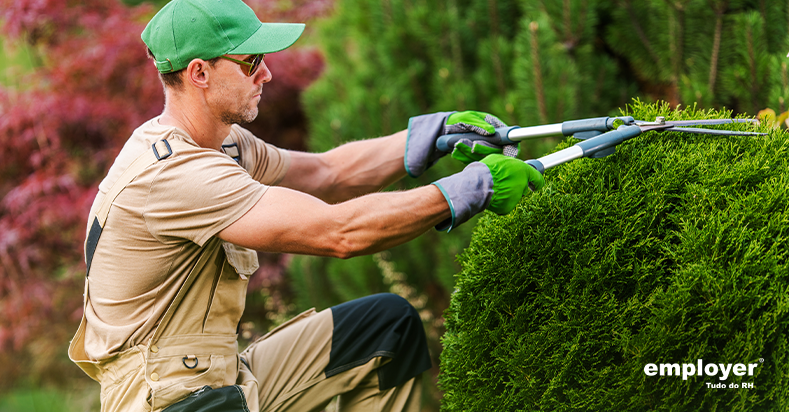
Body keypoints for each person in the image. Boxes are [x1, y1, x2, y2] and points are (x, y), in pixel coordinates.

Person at [67, 0, 545, 411]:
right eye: (252, 61)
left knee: (385, 328)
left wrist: (430, 135)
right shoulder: (175, 174)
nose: (267, 73)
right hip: (165, 399)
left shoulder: (224, 143)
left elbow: (327, 174)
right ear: (200, 73)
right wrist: (465, 190)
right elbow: (339, 233)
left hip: (219, 378)